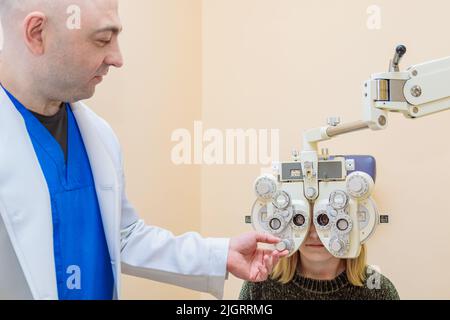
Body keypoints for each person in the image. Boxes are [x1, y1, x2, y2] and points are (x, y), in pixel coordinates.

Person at [0, 0, 288, 300]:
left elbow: (122, 236)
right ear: (36, 33)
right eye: (102, 40)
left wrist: (220, 254)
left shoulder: (97, 135)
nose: (117, 58)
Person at [239, 224, 400, 300]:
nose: (314, 233)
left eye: (325, 220)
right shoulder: (260, 283)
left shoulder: (377, 289)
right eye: (301, 220)